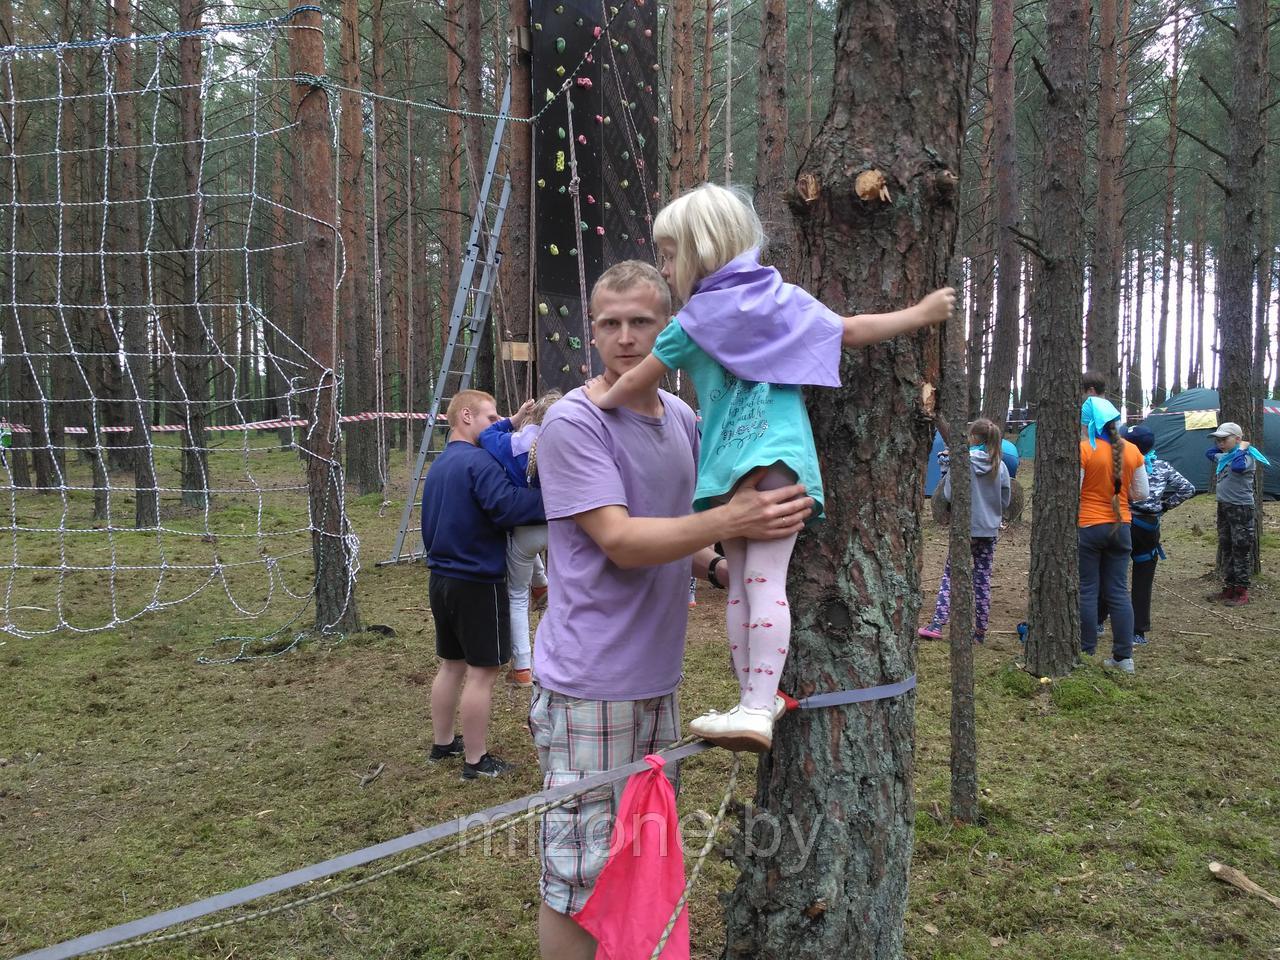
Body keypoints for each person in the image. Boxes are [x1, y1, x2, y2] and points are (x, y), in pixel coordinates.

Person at [589, 182, 954, 751]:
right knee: (767, 582)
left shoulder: (689, 324)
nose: (664, 266)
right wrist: (921, 313)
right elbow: (851, 330)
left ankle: (751, 700)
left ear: (698, 250)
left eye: (668, 254)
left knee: (743, 589)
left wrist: (600, 400)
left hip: (726, 469)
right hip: (780, 459)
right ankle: (758, 704)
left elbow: (637, 379)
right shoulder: (781, 300)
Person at [532, 259, 814, 960]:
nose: (625, 338)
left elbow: (668, 522)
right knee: (578, 873)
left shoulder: (683, 417)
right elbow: (623, 540)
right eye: (609, 323)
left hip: (658, 681)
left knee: (640, 857)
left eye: (641, 322)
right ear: (592, 331)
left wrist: (717, 563)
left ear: (673, 328)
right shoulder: (575, 422)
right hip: (589, 685)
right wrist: (739, 518)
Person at [420, 389, 546, 780]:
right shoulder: (479, 463)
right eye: (492, 419)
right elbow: (507, 507)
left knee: (451, 666)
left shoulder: (441, 465)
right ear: (467, 417)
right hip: (477, 582)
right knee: (482, 673)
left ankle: (443, 743)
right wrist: (563, 499)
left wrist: (510, 420)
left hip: (441, 579)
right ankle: (476, 760)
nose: (498, 426)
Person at [479, 390, 562, 687]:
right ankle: (542, 589)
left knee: (515, 596)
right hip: (561, 525)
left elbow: (487, 435)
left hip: (525, 529)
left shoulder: (513, 444)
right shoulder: (571, 440)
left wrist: (513, 418)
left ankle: (523, 668)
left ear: (533, 416)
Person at [1096, 426, 1195, 644]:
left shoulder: (1117, 463)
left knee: (1110, 573)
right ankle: (1137, 632)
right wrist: (1164, 506)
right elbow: (1188, 488)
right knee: (1143, 578)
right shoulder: (1162, 466)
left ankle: (1098, 620)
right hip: (1148, 528)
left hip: (1121, 523)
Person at [918, 418, 1011, 644]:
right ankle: (980, 632)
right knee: (982, 579)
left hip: (964, 530)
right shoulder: (1000, 464)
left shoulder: (962, 462)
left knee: (951, 575)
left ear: (973, 438)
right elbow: (1006, 498)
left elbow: (948, 494)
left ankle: (938, 623)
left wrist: (945, 471)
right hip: (988, 532)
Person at [1078, 397, 1149, 673]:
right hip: (1122, 528)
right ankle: (1123, 657)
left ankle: (1085, 651)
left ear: (1091, 424)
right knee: (1118, 591)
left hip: (1089, 526)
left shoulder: (1085, 450)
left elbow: (1077, 488)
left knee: (1087, 589)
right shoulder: (1132, 451)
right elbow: (1141, 493)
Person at [1204, 421, 1269, 607]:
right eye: (1218, 440)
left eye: (1224, 439)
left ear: (1238, 440)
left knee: (1240, 548)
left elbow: (1238, 468)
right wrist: (1224, 447)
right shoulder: (1224, 456)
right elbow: (1208, 454)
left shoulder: (1246, 457)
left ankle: (1241, 590)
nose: (1220, 444)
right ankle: (1229, 586)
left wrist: (1241, 449)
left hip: (1241, 508)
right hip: (1224, 506)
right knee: (1226, 546)